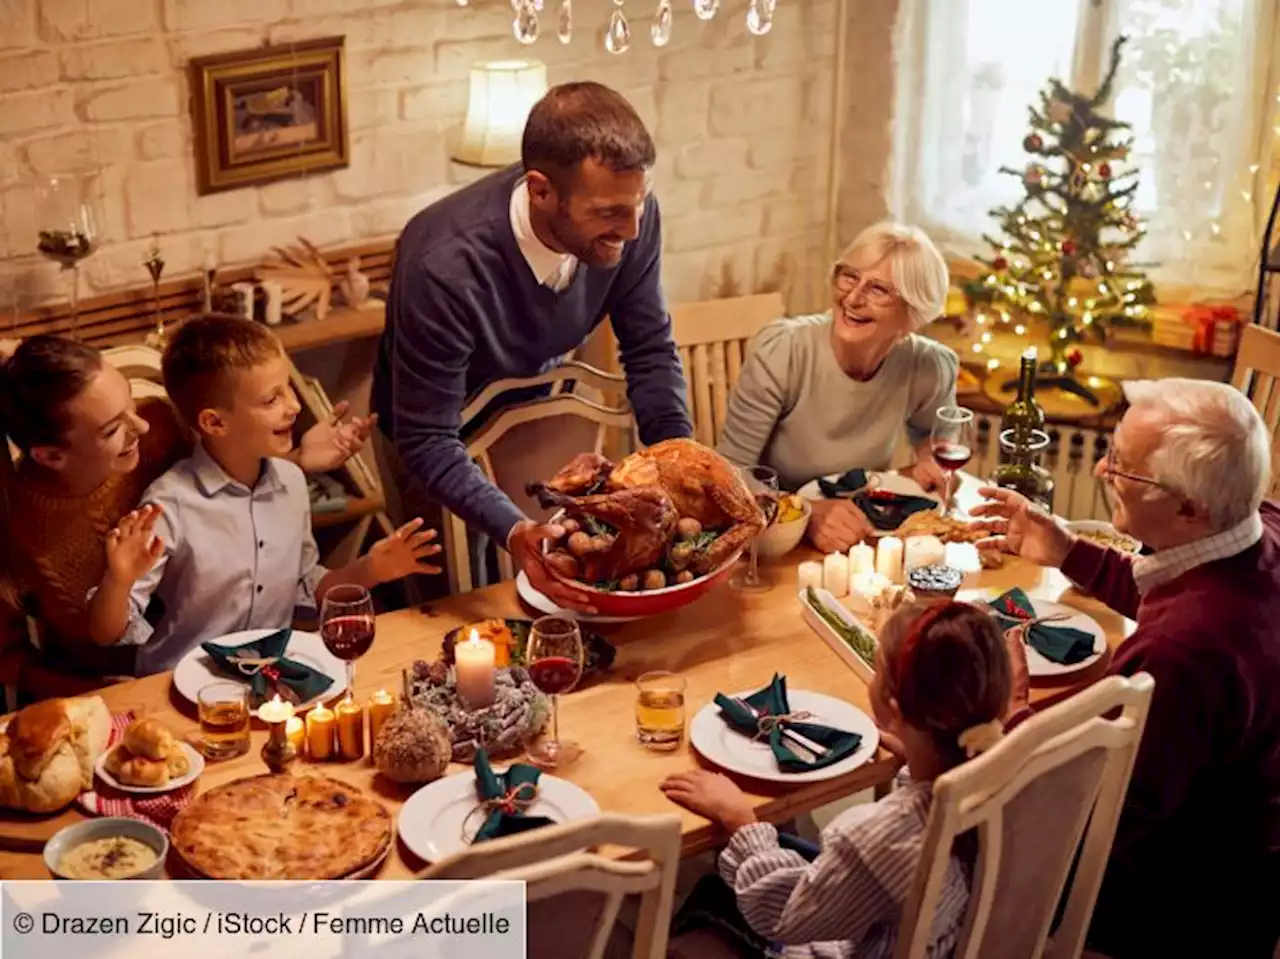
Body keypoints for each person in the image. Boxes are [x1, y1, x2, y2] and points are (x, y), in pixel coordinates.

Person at [973, 378, 1280, 959]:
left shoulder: (1179, 658)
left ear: (1189, 507)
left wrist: (1010, 715)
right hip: (1243, 848)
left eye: (1124, 468)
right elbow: (1191, 592)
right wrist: (1070, 552)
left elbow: (1076, 813)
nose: (1101, 472)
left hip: (1179, 911)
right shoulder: (1260, 527)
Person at [372, 81, 691, 609]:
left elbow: (650, 348)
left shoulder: (631, 213)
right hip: (435, 437)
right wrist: (512, 529)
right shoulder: (443, 265)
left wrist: (678, 460)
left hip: (537, 413)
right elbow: (427, 437)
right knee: (471, 605)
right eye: (610, 212)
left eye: (639, 203)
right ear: (541, 190)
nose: (633, 230)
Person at [0, 332, 373, 700]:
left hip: (202, 667)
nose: (140, 427)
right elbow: (8, 661)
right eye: (113, 428)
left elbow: (217, 483)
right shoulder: (14, 522)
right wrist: (98, 695)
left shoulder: (159, 429)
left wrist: (294, 463)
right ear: (50, 456)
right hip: (96, 688)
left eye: (131, 403)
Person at [82, 316, 441, 675]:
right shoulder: (170, 504)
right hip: (185, 683)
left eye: (288, 387)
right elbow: (105, 634)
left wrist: (373, 568)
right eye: (272, 399)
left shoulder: (291, 482)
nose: (294, 406)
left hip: (271, 679)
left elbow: (306, 589)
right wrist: (118, 580)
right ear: (215, 423)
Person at [661, 599, 1011, 958]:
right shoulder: (999, 775)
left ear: (894, 710)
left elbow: (786, 916)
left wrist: (741, 822)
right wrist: (915, 752)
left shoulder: (880, 836)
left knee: (707, 903)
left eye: (877, 671)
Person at [717, 222, 957, 554]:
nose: (853, 298)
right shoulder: (783, 351)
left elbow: (937, 446)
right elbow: (730, 479)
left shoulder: (929, 366)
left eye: (878, 289)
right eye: (849, 276)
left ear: (912, 314)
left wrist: (933, 463)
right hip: (775, 542)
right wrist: (806, 514)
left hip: (863, 538)